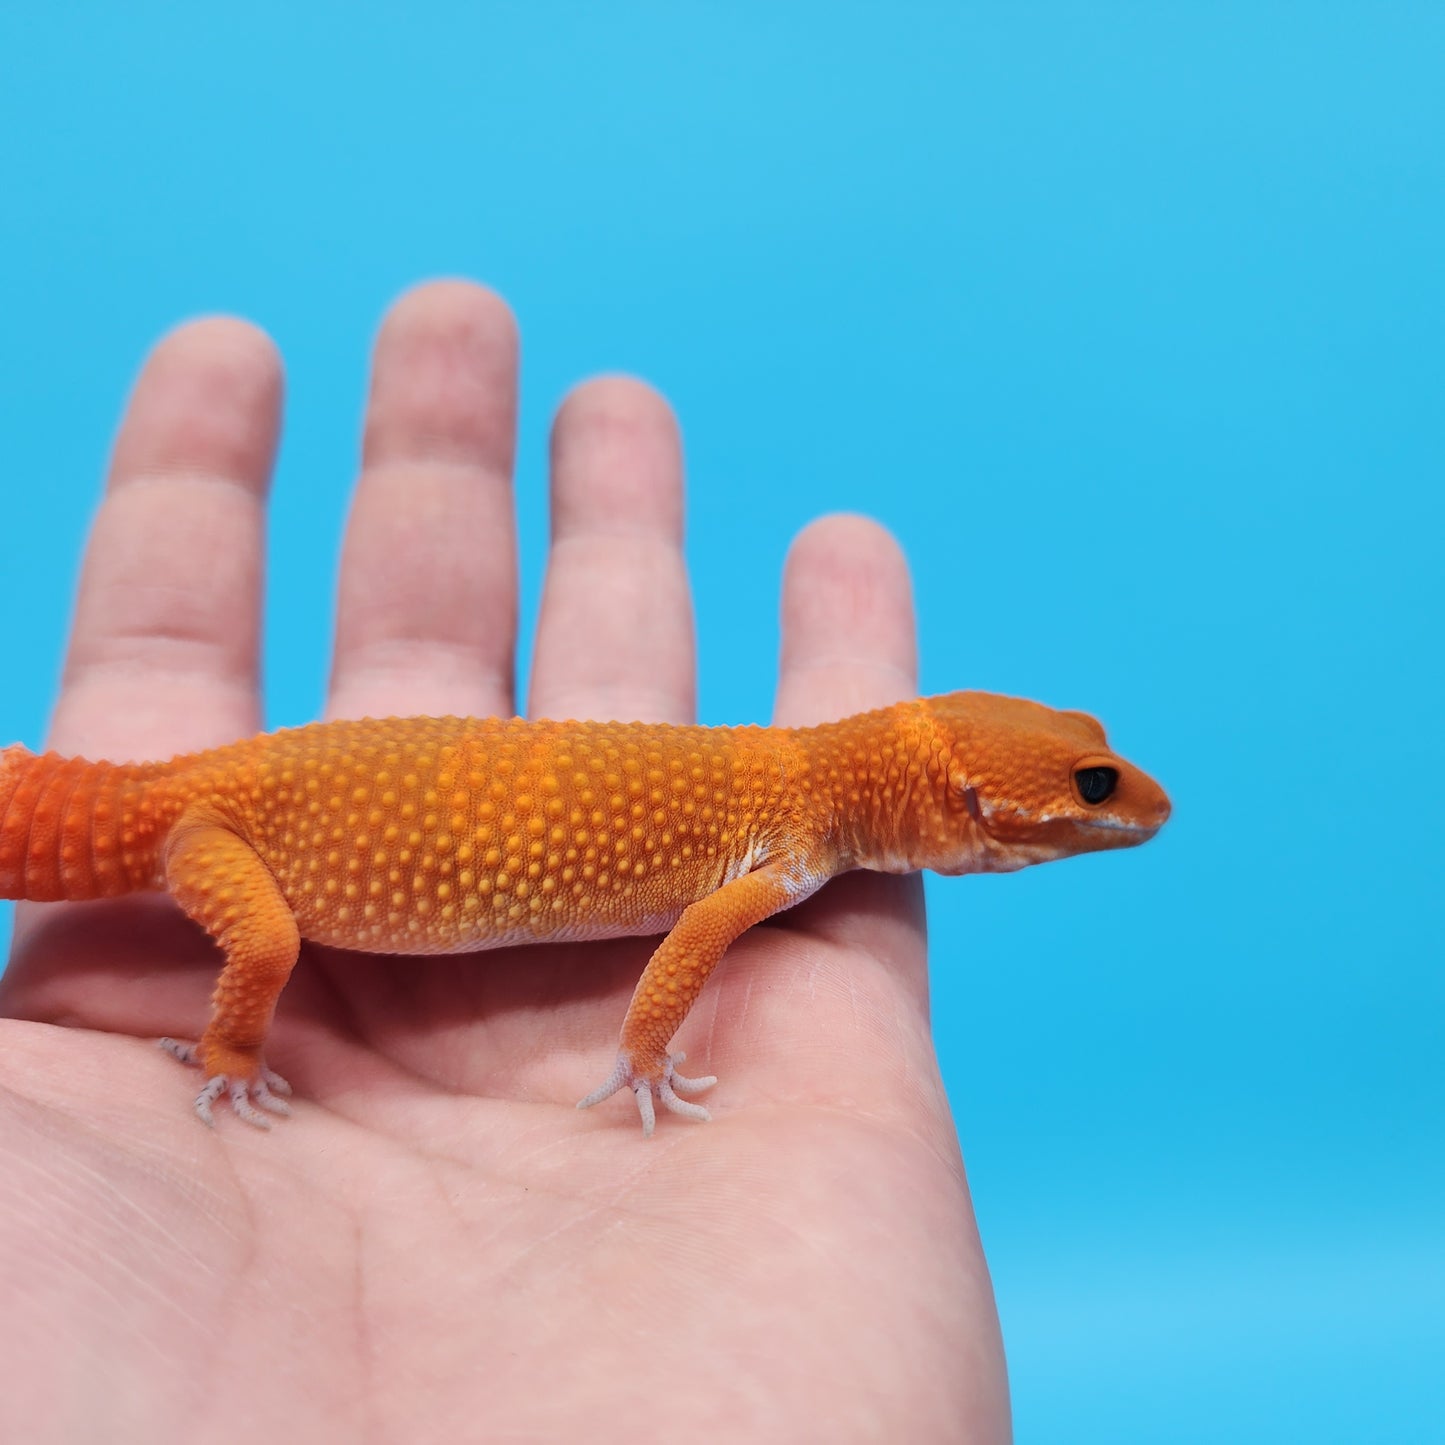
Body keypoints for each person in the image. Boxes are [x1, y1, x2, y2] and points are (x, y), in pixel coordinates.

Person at [0, 281, 1009, 1442]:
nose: (1123, 805)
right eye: (1085, 793)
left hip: (240, 794)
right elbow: (695, 935)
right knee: (265, 939)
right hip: (216, 820)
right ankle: (229, 1051)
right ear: (963, 805)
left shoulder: (792, 803)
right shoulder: (788, 844)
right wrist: (643, 1056)